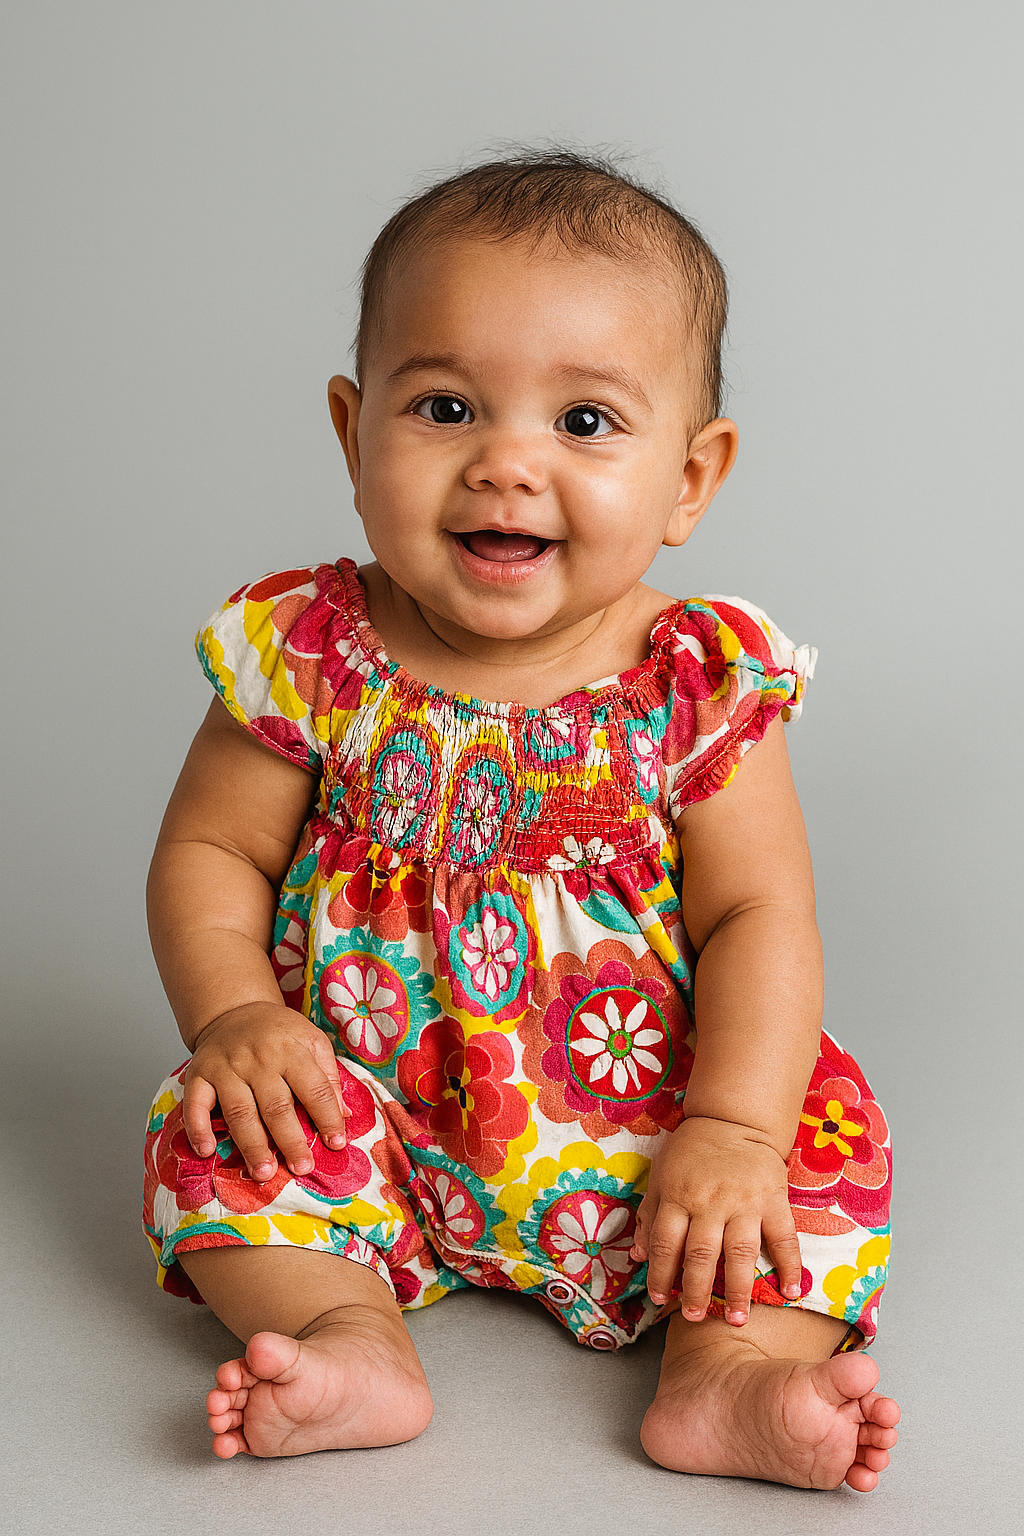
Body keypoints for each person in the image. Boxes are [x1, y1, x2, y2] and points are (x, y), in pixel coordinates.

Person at [143, 150, 899, 1488]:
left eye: (586, 422)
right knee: (215, 1130)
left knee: (815, 1143)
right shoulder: (309, 652)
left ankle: (728, 1375)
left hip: (650, 1128)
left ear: (691, 478)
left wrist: (731, 1128)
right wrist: (238, 1017)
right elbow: (211, 851)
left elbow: (757, 913)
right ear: (351, 433)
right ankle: (342, 1332)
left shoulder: (696, 684)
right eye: (445, 407)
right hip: (362, 1102)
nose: (507, 464)